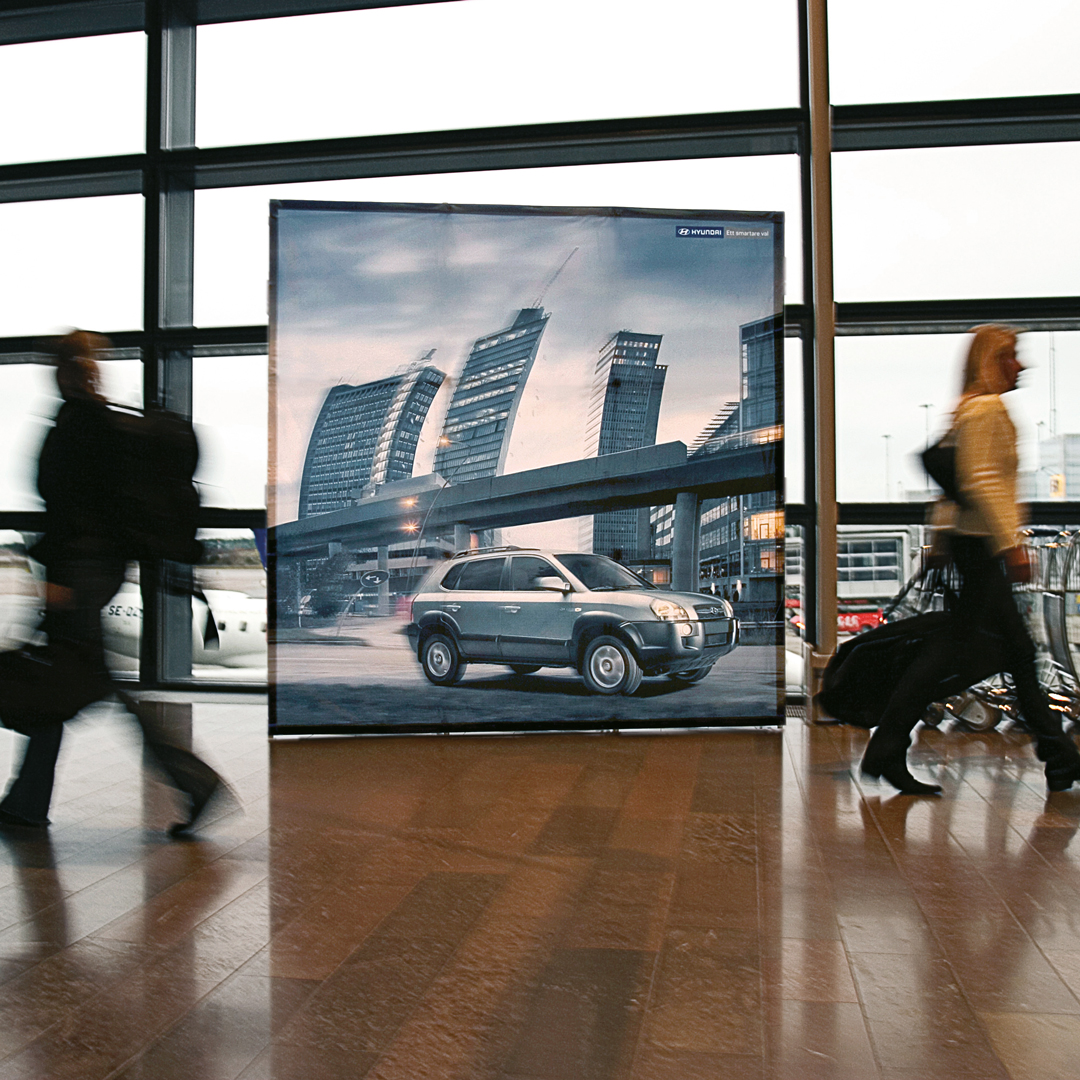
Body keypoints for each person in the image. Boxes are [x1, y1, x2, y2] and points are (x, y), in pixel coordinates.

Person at [0, 331, 224, 834]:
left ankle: (193, 781)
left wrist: (62, 581)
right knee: (60, 679)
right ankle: (26, 801)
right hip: (91, 570)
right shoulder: (98, 422)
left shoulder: (80, 425)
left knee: (75, 680)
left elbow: (73, 509)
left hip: (78, 572)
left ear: (63, 370)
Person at [861, 324, 1080, 795]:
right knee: (982, 650)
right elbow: (980, 482)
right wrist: (1010, 544)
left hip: (967, 545)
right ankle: (1058, 755)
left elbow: (953, 488)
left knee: (1007, 651)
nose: (1021, 365)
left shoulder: (966, 411)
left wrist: (942, 541)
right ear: (991, 361)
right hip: (981, 548)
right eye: (1012, 356)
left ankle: (1057, 755)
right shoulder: (988, 409)